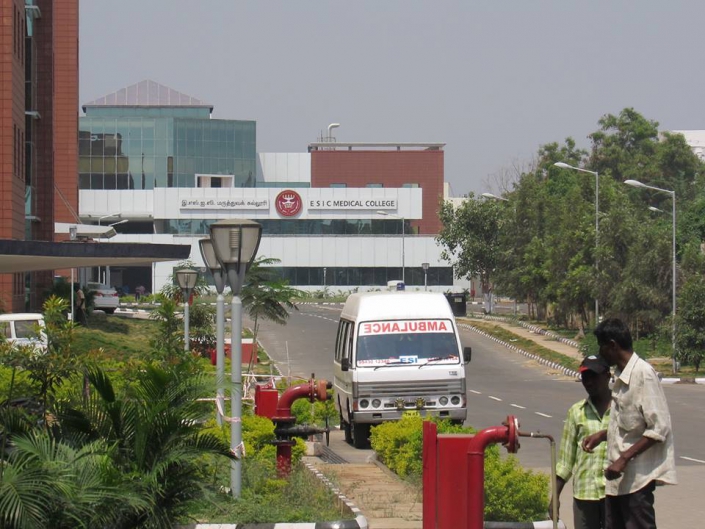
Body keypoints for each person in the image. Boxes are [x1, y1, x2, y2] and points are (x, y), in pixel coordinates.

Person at [582, 318, 677, 529]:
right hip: (618, 484)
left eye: (602, 346)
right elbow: (631, 423)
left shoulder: (643, 375)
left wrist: (623, 459)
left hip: (637, 482)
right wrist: (603, 434)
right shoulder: (620, 377)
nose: (601, 352)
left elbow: (659, 427)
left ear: (613, 345)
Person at [551, 355, 612, 529]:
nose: (589, 382)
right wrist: (555, 498)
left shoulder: (622, 408)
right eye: (585, 377)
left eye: (594, 376)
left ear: (608, 376)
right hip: (585, 496)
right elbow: (565, 461)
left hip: (615, 494)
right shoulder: (576, 412)